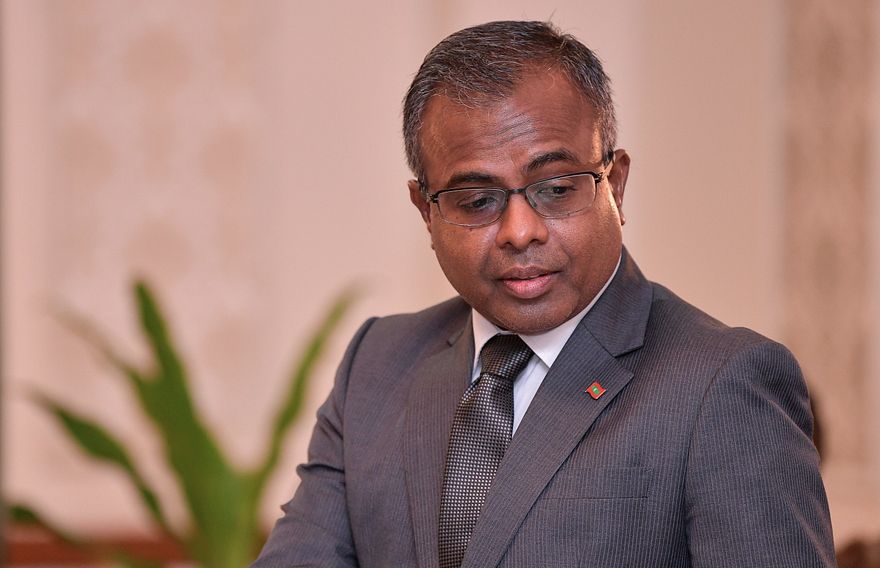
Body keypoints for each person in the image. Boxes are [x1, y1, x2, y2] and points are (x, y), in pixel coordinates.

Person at [252, 20, 835, 567]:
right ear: (426, 213)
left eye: (555, 188)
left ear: (616, 185)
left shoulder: (723, 384)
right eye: (476, 201)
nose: (520, 230)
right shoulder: (378, 364)